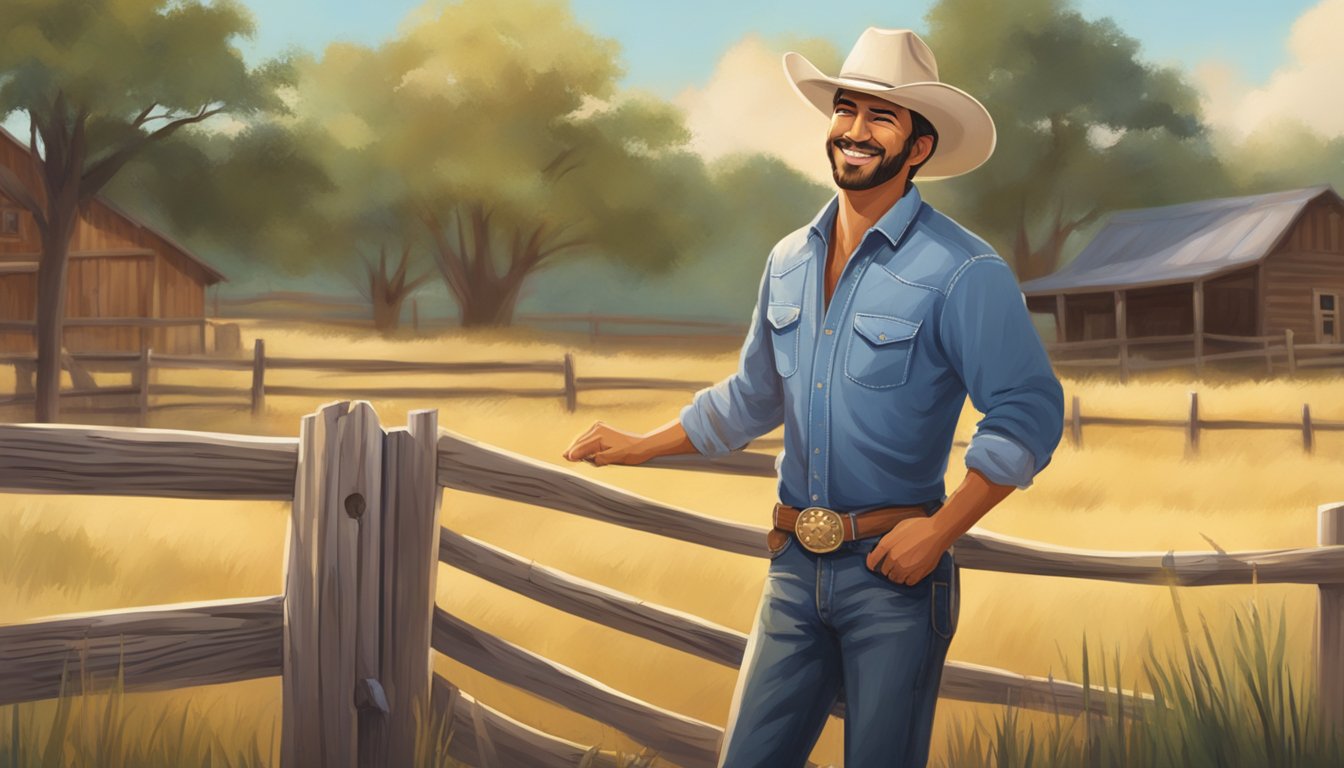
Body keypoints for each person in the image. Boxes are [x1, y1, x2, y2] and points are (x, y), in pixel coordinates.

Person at [563, 27, 1064, 768]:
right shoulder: (789, 260)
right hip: (794, 567)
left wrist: (940, 533)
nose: (855, 132)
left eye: (880, 118)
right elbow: (754, 396)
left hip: (896, 578)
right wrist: (640, 445)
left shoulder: (962, 271)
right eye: (846, 110)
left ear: (918, 147)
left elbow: (1028, 411)